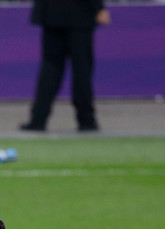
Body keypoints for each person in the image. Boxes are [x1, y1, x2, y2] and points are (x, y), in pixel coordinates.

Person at [20, 0, 111, 133]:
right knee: (82, 70)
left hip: (52, 13)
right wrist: (99, 7)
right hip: (80, 14)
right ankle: (86, 120)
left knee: (50, 68)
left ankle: (38, 120)